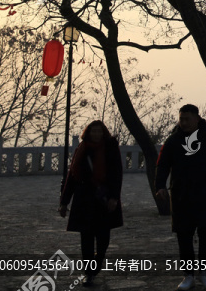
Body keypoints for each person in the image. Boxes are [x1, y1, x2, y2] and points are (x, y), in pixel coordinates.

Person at [156, 105, 206, 290]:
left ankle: (204, 272)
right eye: (182, 119)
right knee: (184, 237)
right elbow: (163, 165)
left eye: (188, 119)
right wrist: (160, 186)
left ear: (197, 118)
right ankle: (188, 275)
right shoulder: (173, 141)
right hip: (181, 196)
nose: (184, 123)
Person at [59, 121, 124, 287]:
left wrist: (114, 198)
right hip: (85, 198)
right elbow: (72, 177)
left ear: (103, 133)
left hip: (104, 196)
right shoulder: (82, 149)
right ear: (88, 133)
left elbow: (117, 174)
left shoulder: (110, 148)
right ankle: (89, 272)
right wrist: (64, 202)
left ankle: (97, 260)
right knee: (86, 238)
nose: (96, 134)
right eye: (93, 131)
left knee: (103, 237)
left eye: (99, 131)